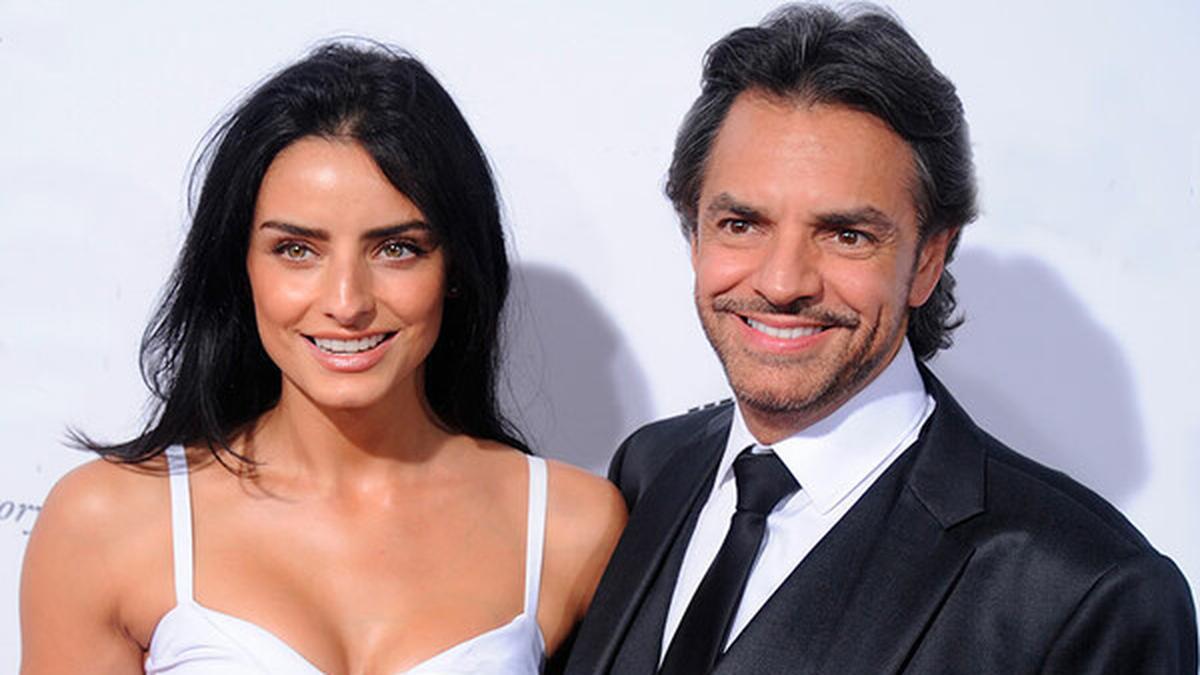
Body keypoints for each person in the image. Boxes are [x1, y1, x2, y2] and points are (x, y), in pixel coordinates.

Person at [565, 4, 1197, 674]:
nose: (782, 282)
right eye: (741, 224)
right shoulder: (650, 469)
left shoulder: (1088, 592)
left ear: (928, 259)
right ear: (694, 234)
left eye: (847, 235)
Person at [20, 41, 625, 674]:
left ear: (455, 267)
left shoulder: (572, 528)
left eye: (396, 249)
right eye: (296, 250)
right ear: (241, 267)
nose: (346, 303)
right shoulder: (107, 523)